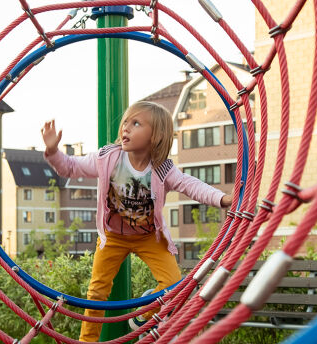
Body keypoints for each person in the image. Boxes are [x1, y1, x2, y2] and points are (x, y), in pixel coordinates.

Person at [41, 101, 233, 342]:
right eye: (126, 122)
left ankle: (144, 315)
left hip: (148, 237)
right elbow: (70, 168)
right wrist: (53, 153)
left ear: (156, 136)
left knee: (174, 284)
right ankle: (87, 341)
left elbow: (190, 185)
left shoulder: (162, 169)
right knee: (97, 291)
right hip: (113, 237)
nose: (126, 128)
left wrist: (222, 199)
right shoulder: (109, 158)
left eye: (136, 123)